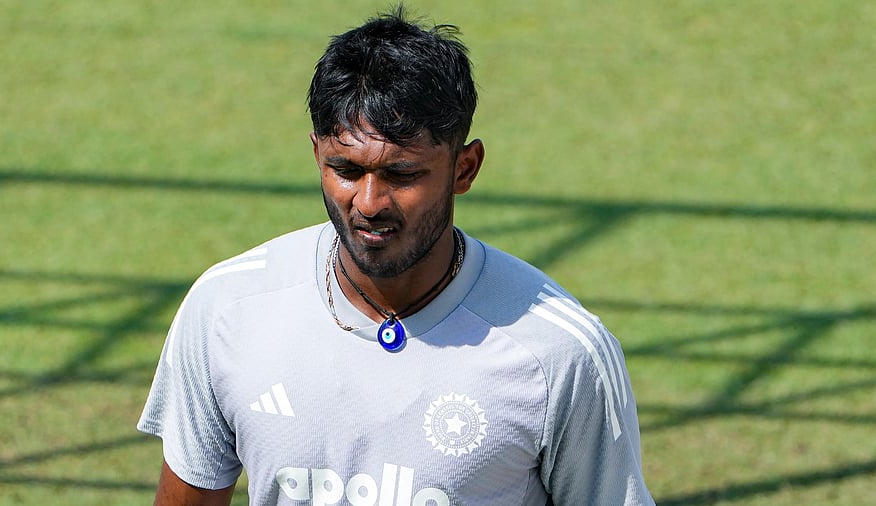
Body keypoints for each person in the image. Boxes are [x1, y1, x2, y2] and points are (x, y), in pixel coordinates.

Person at [138, 6, 655, 505]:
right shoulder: (227, 308)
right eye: (345, 169)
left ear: (465, 168)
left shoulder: (559, 352)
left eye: (402, 175)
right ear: (316, 154)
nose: (368, 203)